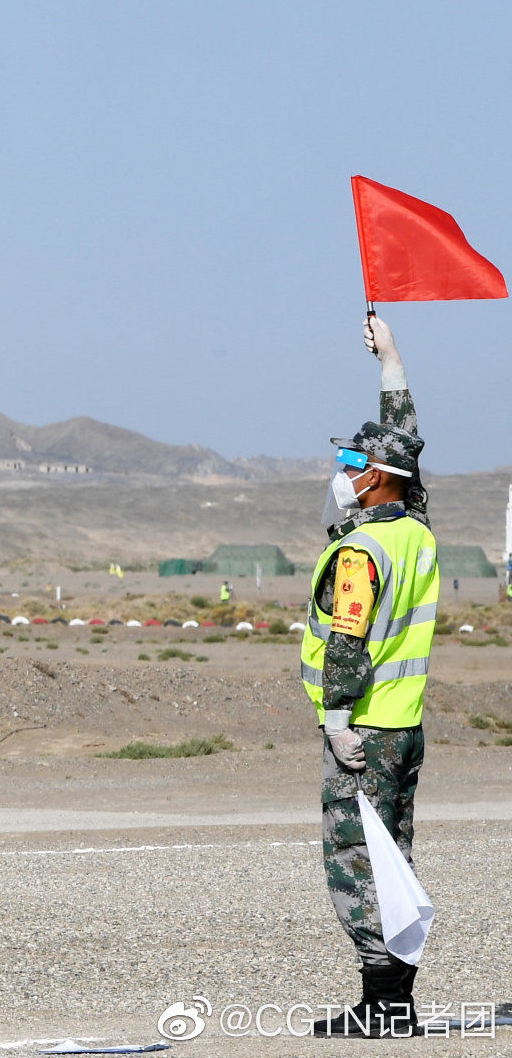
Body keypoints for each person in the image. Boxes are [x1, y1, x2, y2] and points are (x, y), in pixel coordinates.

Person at [300, 314, 436, 1039]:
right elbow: (407, 448)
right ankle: (394, 1002)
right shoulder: (415, 530)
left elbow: (345, 641)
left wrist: (335, 717)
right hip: (405, 726)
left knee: (358, 864)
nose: (344, 471)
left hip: (365, 729)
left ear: (378, 477)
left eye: (355, 460)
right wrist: (391, 366)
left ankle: (383, 1007)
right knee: (394, 857)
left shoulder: (361, 553)